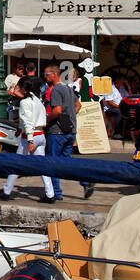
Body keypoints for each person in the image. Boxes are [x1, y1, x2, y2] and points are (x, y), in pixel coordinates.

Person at [0, 76, 56, 203]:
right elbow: (35, 117)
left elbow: (28, 122)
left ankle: (6, 191)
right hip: (40, 134)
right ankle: (50, 194)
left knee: (16, 163)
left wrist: (29, 140)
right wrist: (21, 129)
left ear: (21, 87)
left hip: (30, 136)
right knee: (43, 166)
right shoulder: (36, 99)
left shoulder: (24, 103)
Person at [43, 64, 84, 200]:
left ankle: (56, 193)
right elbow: (78, 105)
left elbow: (57, 110)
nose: (45, 77)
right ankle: (85, 180)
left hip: (57, 132)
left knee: (53, 163)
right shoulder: (68, 88)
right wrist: (70, 117)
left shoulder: (55, 90)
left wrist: (47, 119)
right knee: (67, 162)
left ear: (54, 75)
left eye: (46, 74)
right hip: (70, 131)